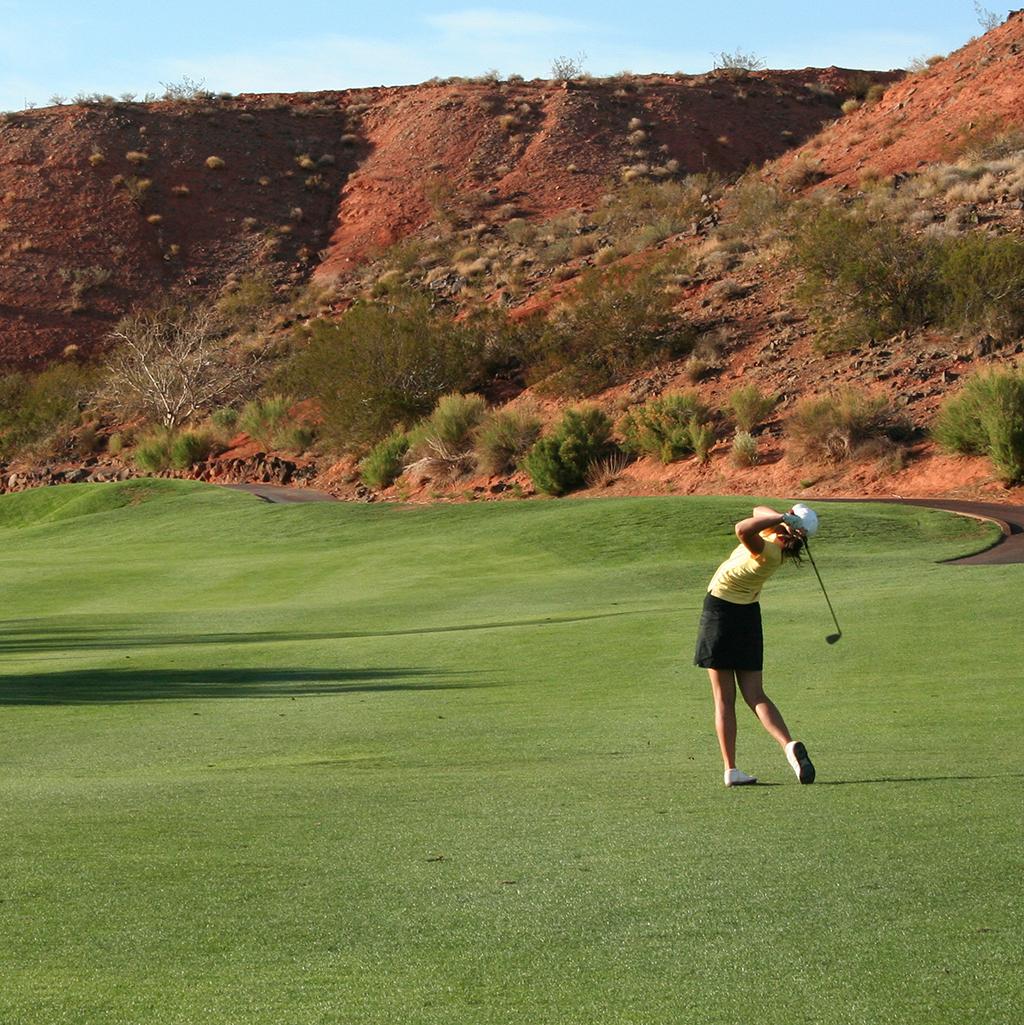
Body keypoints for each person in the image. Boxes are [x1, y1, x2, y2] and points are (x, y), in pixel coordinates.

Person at [694, 505, 816, 787]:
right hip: (748, 616)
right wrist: (785, 518)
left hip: (720, 613)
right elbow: (758, 509)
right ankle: (788, 745)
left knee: (724, 699)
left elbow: (741, 527)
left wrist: (784, 518)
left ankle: (731, 769)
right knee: (755, 694)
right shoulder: (778, 547)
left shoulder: (766, 549)